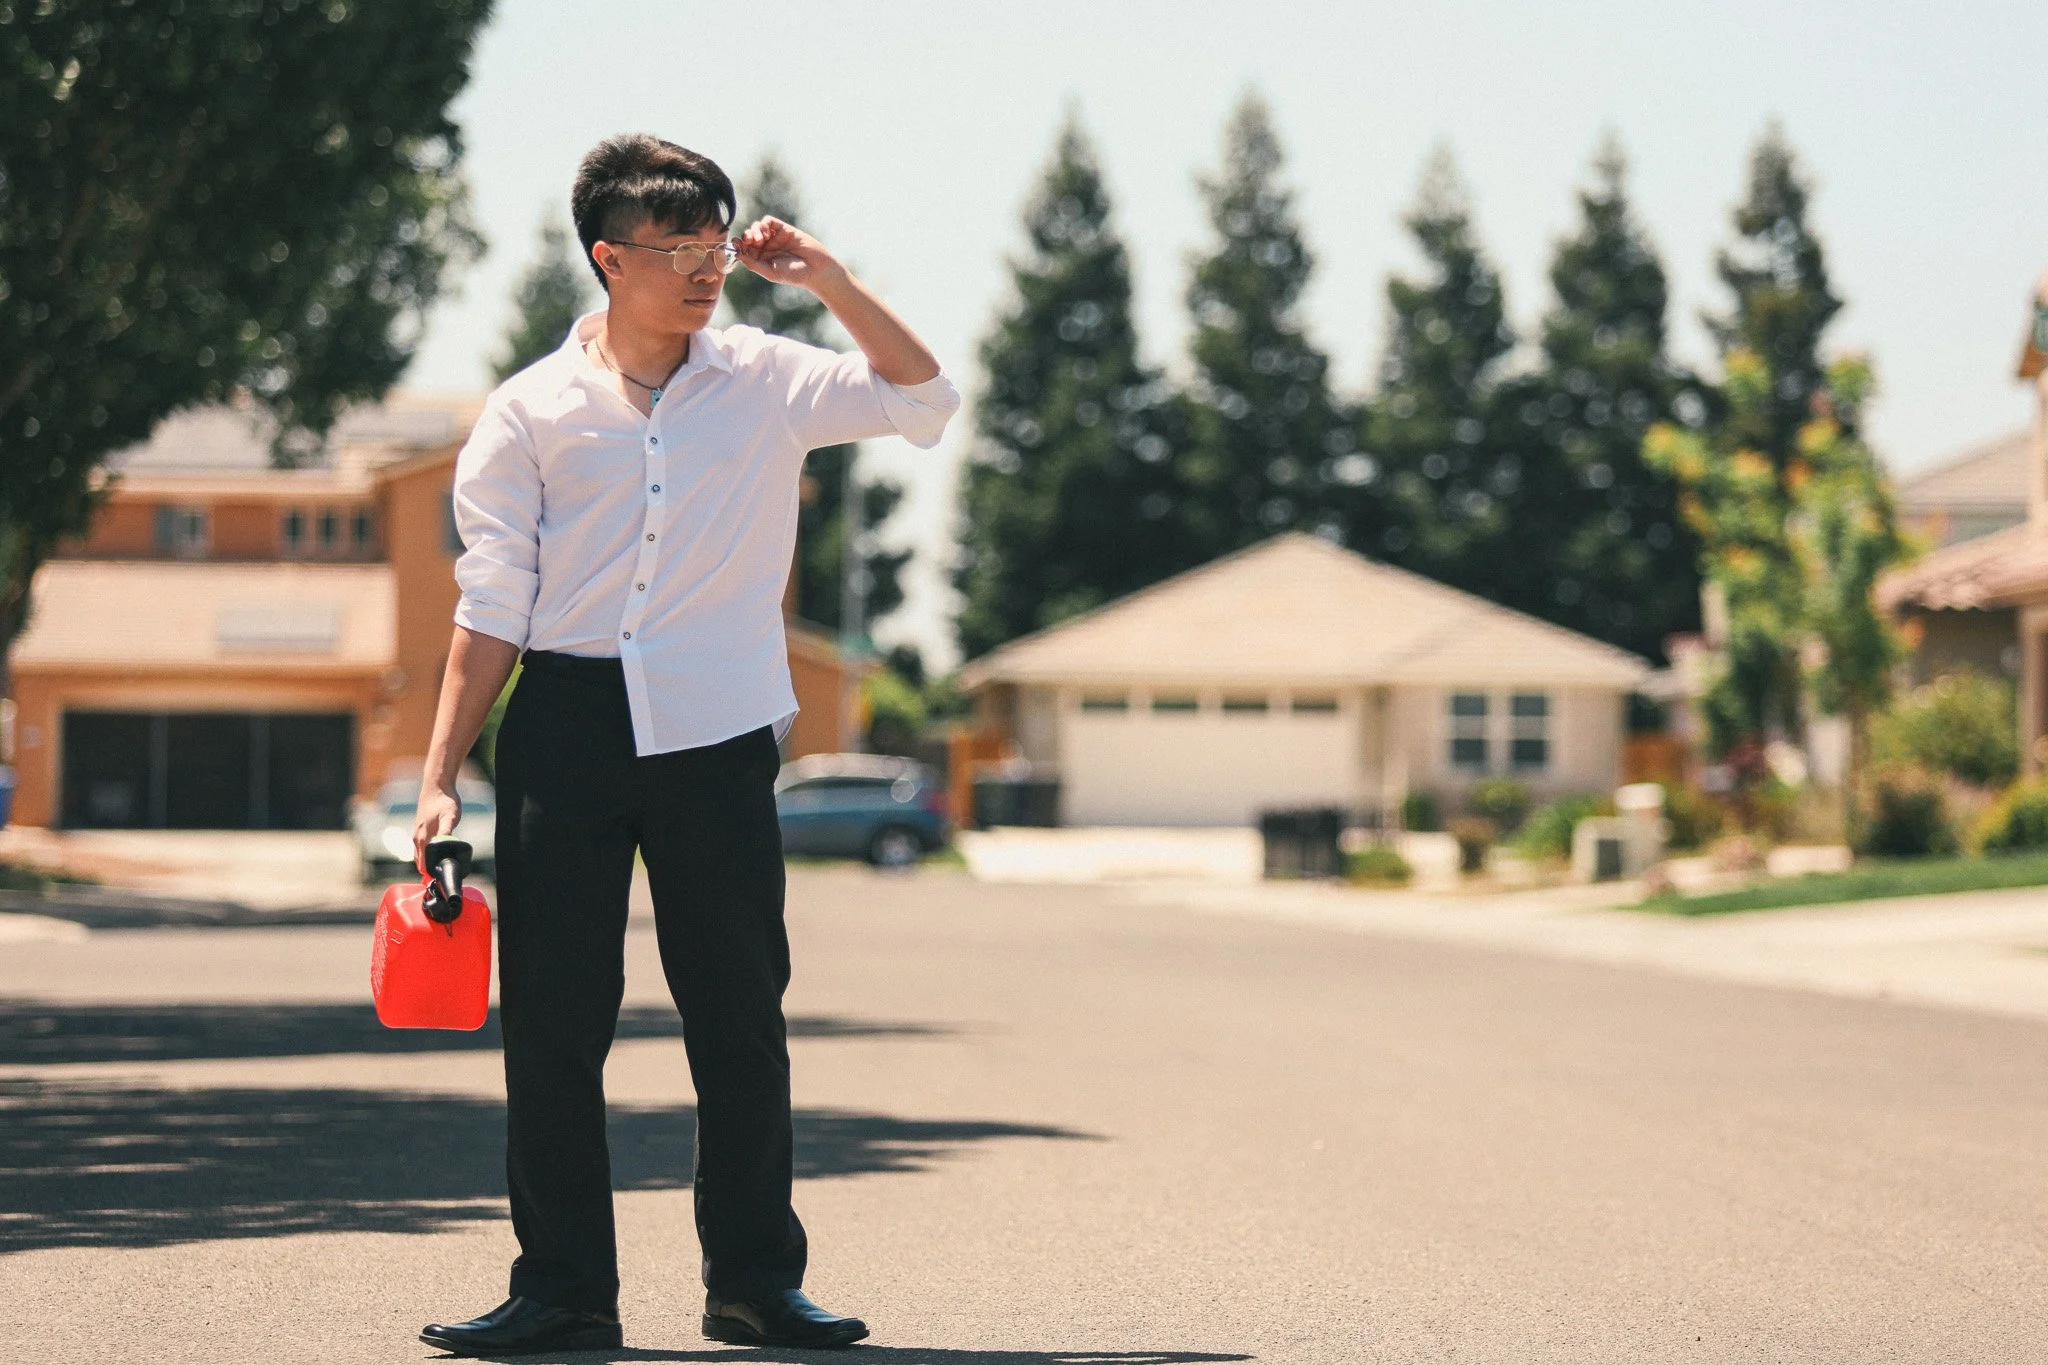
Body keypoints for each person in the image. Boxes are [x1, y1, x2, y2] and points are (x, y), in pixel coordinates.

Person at [408, 133, 959, 1357]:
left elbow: (924, 398)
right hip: (562, 727)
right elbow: (490, 599)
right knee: (554, 1019)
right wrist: (440, 778)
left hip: (715, 730)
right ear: (610, 259)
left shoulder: (765, 376)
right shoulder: (527, 412)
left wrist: (826, 278)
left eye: (719, 243)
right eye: (680, 249)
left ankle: (756, 1284)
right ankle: (561, 1290)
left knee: (737, 1015)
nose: (710, 267)